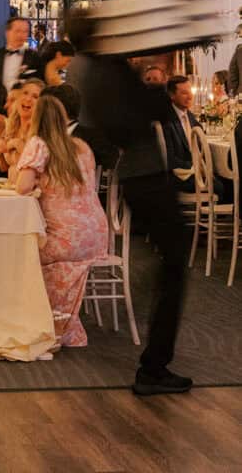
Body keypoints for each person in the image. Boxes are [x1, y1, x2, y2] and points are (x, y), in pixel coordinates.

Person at [70, 31, 193, 396]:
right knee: (174, 264)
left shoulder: (95, 68)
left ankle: (154, 354)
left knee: (171, 263)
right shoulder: (105, 71)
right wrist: (163, 75)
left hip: (142, 177)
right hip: (146, 177)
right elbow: (143, 116)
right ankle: (154, 367)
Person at [13, 96, 108, 349]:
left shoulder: (39, 145)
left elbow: (21, 187)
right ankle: (56, 320)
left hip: (68, 239)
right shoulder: (81, 146)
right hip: (97, 234)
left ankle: (36, 321)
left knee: (19, 253)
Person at [163, 76, 226, 198]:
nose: (190, 97)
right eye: (184, 93)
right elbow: (168, 159)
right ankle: (214, 215)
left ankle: (220, 214)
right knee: (222, 186)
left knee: (227, 181)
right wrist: (195, 167)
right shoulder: (166, 121)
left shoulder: (190, 116)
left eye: (190, 92)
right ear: (172, 95)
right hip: (177, 176)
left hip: (192, 171)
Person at [41, 83, 119, 172]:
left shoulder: (92, 138)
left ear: (59, 108)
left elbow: (113, 161)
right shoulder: (45, 137)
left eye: (48, 108)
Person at [0, 18, 39, 90]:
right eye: (18, 31)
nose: (21, 35)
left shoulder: (33, 56)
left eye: (25, 31)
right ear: (7, 33)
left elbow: (38, 83)